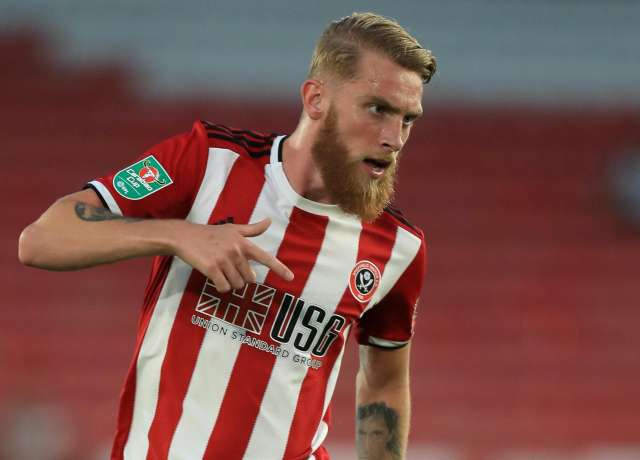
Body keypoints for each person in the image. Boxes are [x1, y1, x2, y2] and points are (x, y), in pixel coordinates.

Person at [18, 12, 436, 460]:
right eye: (377, 109)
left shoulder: (399, 248)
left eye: (408, 119)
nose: (394, 138)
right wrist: (178, 235)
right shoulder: (206, 161)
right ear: (316, 99)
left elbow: (385, 381)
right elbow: (42, 238)